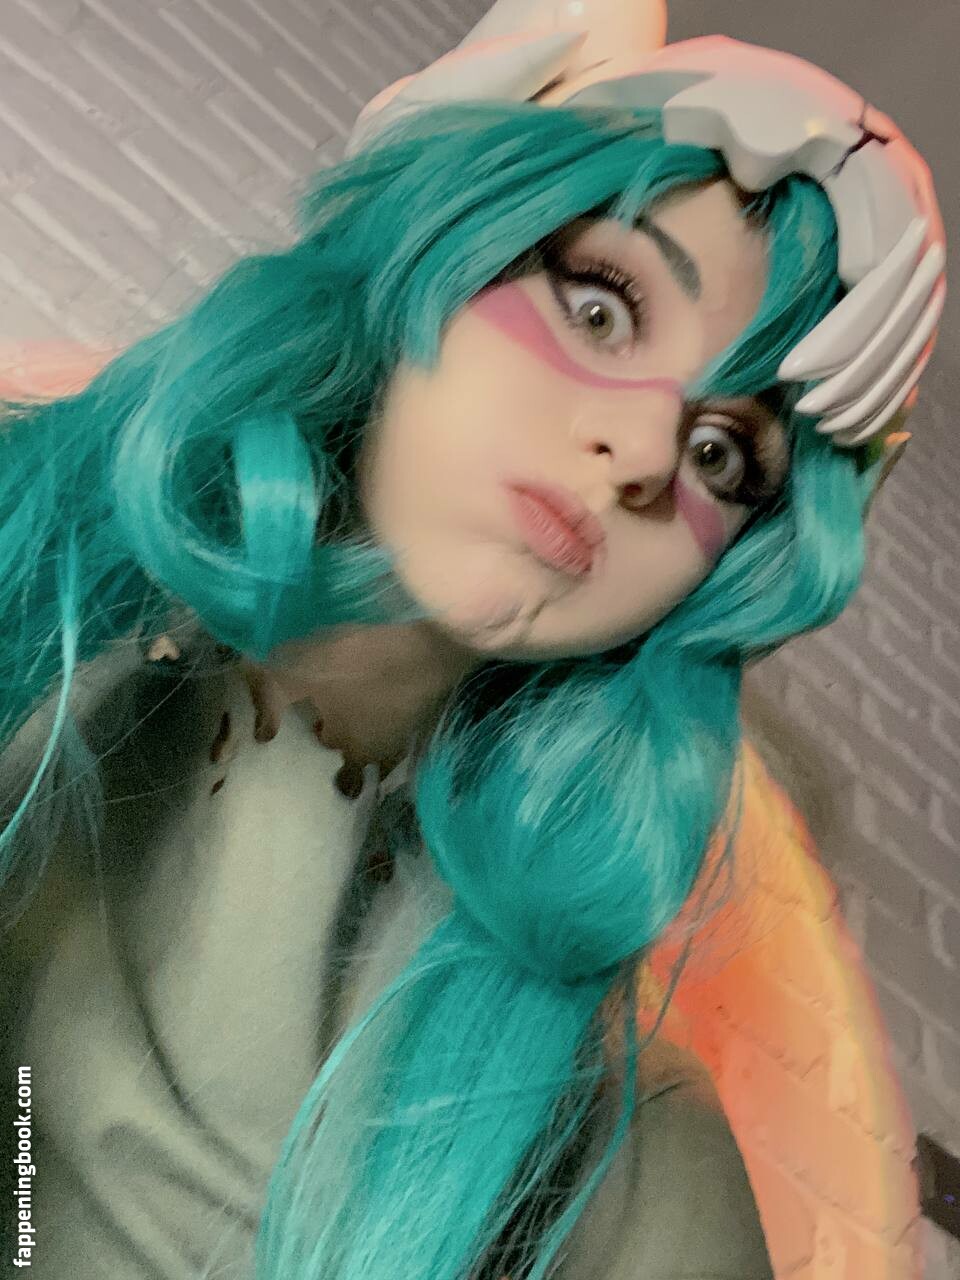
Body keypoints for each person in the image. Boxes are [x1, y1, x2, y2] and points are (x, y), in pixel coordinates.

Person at [0, 0, 945, 1276]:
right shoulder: (46, 619)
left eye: (725, 451)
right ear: (432, 244)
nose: (645, 449)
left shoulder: (630, 1149)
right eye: (602, 306)